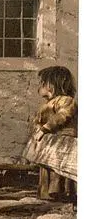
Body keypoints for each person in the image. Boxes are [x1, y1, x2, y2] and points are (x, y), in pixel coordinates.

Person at [24, 65, 77, 201]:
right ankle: (47, 193)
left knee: (60, 167)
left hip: (62, 141)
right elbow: (37, 122)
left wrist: (44, 129)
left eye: (43, 83)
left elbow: (62, 116)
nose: (40, 86)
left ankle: (63, 194)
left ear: (53, 84)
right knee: (47, 168)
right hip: (49, 143)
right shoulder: (46, 104)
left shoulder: (66, 100)